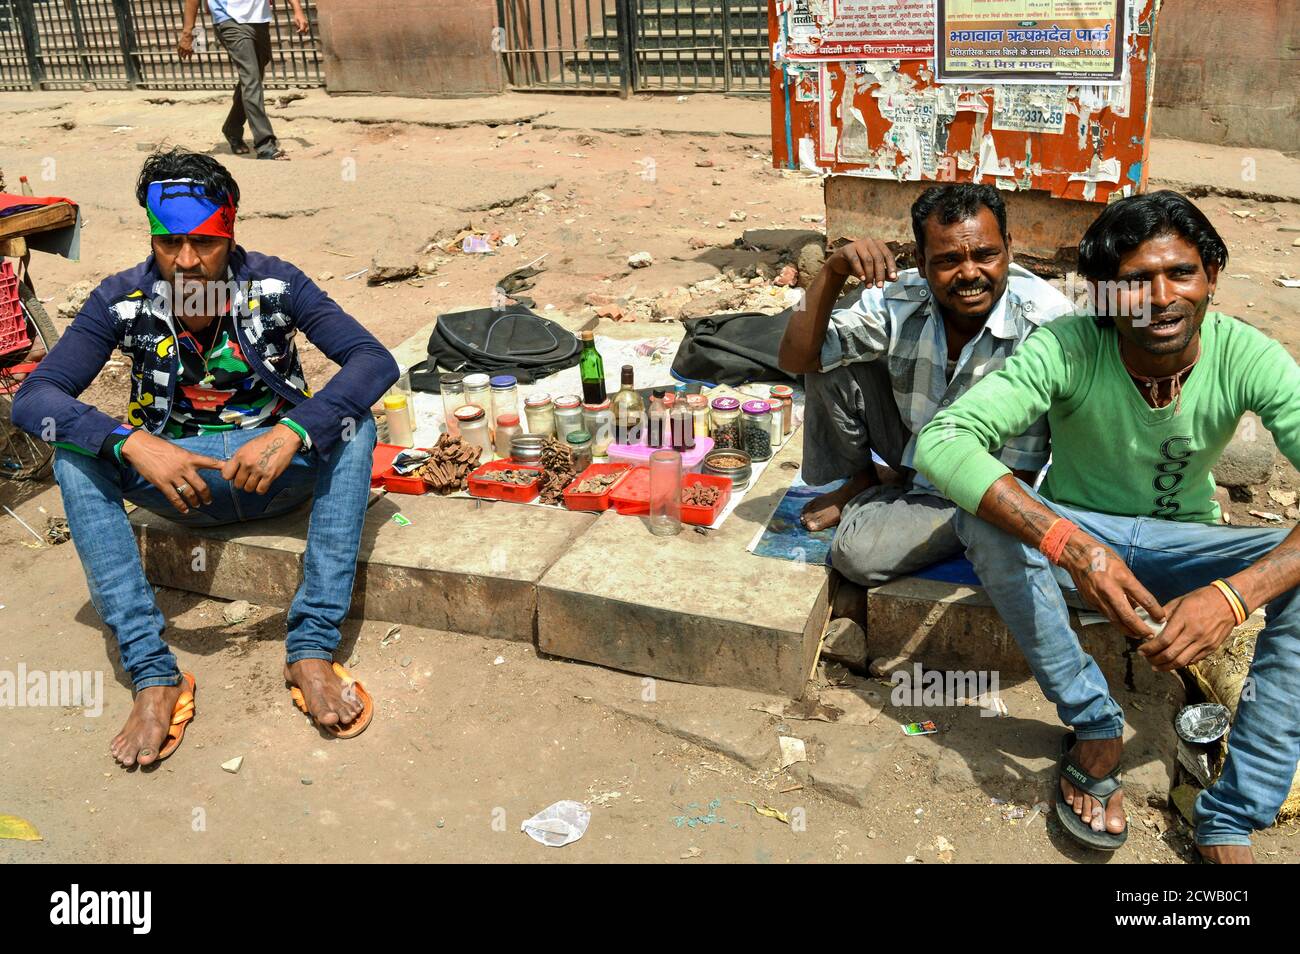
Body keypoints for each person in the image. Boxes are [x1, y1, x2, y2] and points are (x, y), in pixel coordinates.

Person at [914, 190, 1300, 863]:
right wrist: (1071, 546)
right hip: (1083, 542)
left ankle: (1230, 812)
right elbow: (945, 442)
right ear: (1101, 297)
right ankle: (1094, 729)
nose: (1159, 298)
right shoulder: (1066, 346)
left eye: (1180, 273)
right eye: (1133, 283)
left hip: (1191, 548)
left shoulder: (1248, 356)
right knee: (985, 520)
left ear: (1210, 277)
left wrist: (1234, 597)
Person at [13, 148, 398, 767]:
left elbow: (373, 360)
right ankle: (154, 674)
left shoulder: (277, 282)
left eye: (204, 243)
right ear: (152, 237)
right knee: (73, 457)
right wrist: (131, 442)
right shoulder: (120, 300)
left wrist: (295, 431)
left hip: (274, 472)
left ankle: (311, 652)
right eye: (169, 244)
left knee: (356, 426)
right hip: (178, 483)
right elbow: (34, 397)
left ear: (231, 229)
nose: (187, 262)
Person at [778, 183, 1074, 587]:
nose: (970, 273)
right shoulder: (903, 297)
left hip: (983, 485)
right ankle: (864, 482)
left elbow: (1020, 472)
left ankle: (900, 499)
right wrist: (831, 273)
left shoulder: (1046, 324)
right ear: (920, 260)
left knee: (857, 556)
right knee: (830, 361)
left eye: (986, 255)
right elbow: (796, 357)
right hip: (914, 442)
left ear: (1008, 247)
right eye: (949, 260)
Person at [178, 0, 309, 160]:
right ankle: (265, 144)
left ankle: (232, 127)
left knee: (253, 77)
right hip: (229, 20)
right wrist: (187, 32)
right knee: (251, 78)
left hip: (260, 20)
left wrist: (297, 10)